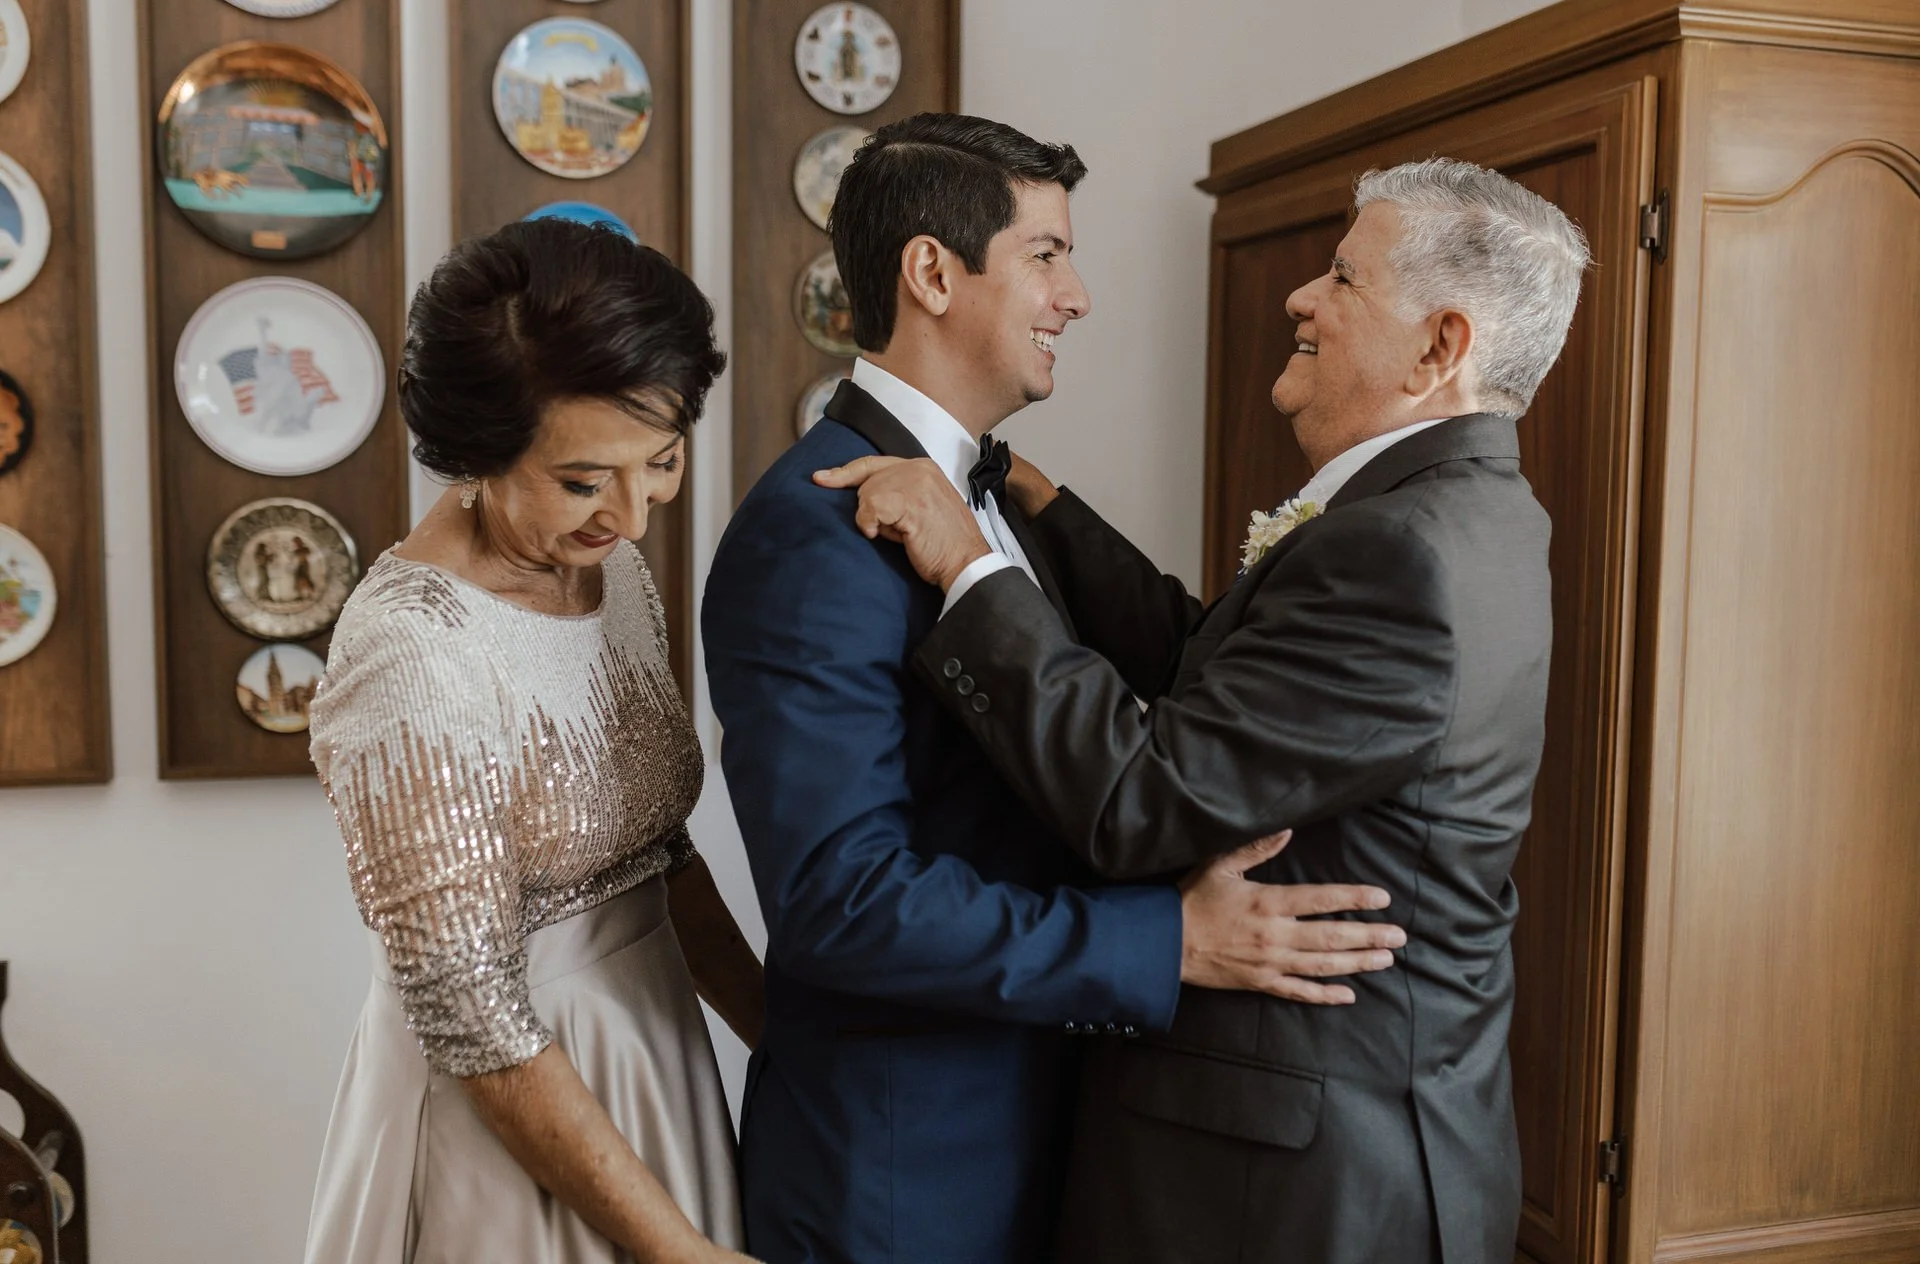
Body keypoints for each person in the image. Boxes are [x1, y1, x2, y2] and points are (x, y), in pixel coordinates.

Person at [820, 157, 1589, 1263]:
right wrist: (1039, 507)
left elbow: (1141, 795)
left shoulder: (1402, 552)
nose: (1301, 298)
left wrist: (966, 565)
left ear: (1440, 348)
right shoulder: (1465, 510)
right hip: (1351, 1127)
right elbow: (1216, 673)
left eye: (1343, 277)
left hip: (1299, 1176)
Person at [702, 112, 1408, 1264]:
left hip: (1045, 1137)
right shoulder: (812, 535)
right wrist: (1165, 941)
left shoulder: (996, 501)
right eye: (1046, 255)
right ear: (933, 274)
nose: (1075, 297)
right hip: (905, 1178)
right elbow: (842, 902)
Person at [304, 219, 763, 1264]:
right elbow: (472, 1016)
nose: (633, 516)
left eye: (663, 460)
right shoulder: (410, 651)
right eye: (585, 480)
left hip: (651, 1056)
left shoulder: (610, 571)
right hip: (511, 1109)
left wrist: (783, 1040)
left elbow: (659, 856)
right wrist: (679, 1250)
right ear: (476, 453)